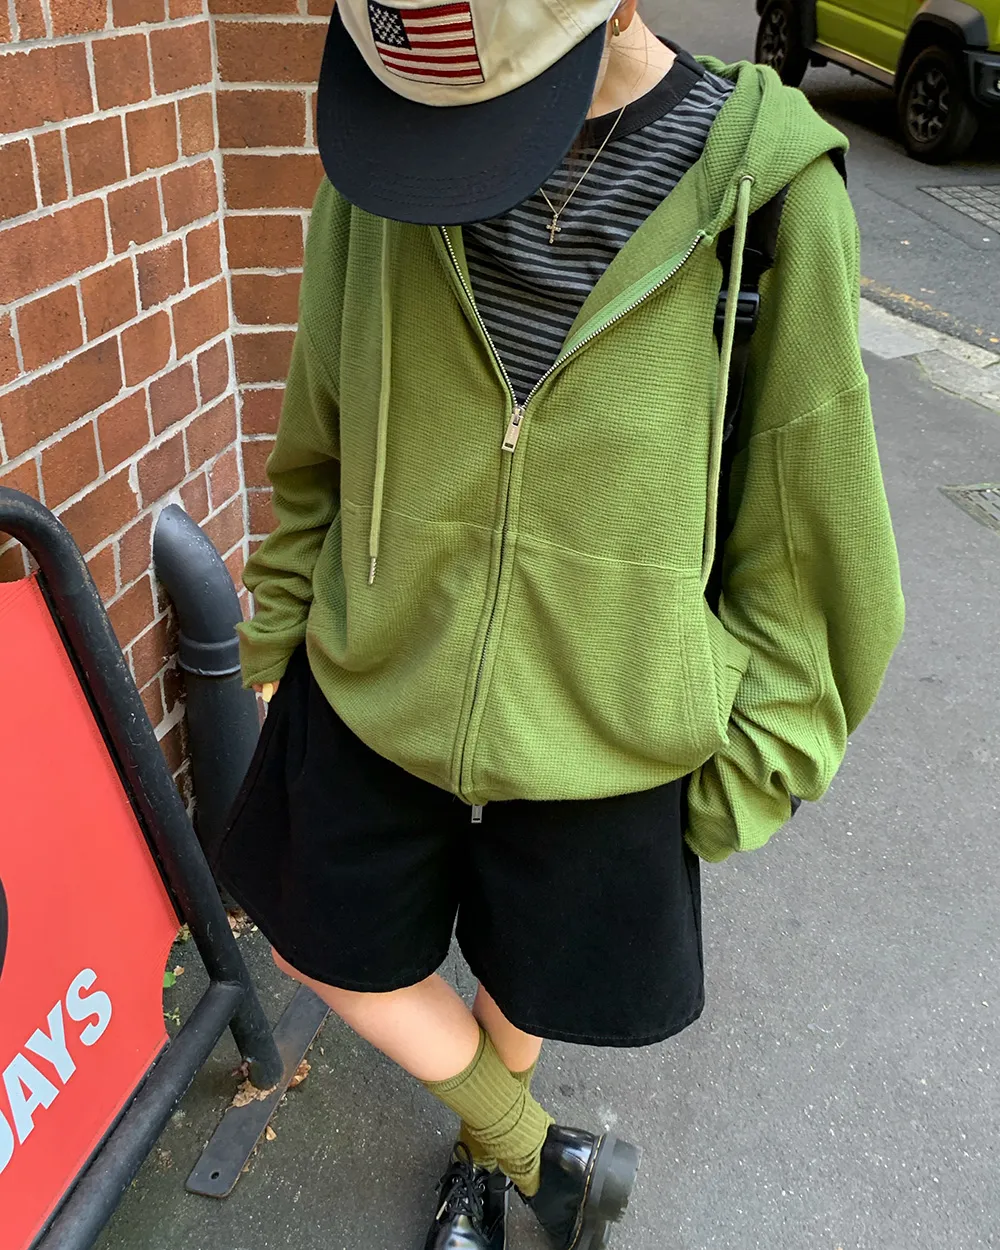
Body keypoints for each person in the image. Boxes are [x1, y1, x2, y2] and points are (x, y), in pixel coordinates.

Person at [216, 1, 905, 1246]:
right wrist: (277, 636)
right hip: (379, 665)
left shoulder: (772, 197)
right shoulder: (387, 159)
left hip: (609, 715)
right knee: (319, 933)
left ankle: (485, 1162)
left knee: (526, 969)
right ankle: (528, 1146)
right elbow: (319, 420)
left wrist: (748, 762)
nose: (446, 137)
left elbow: (815, 534)